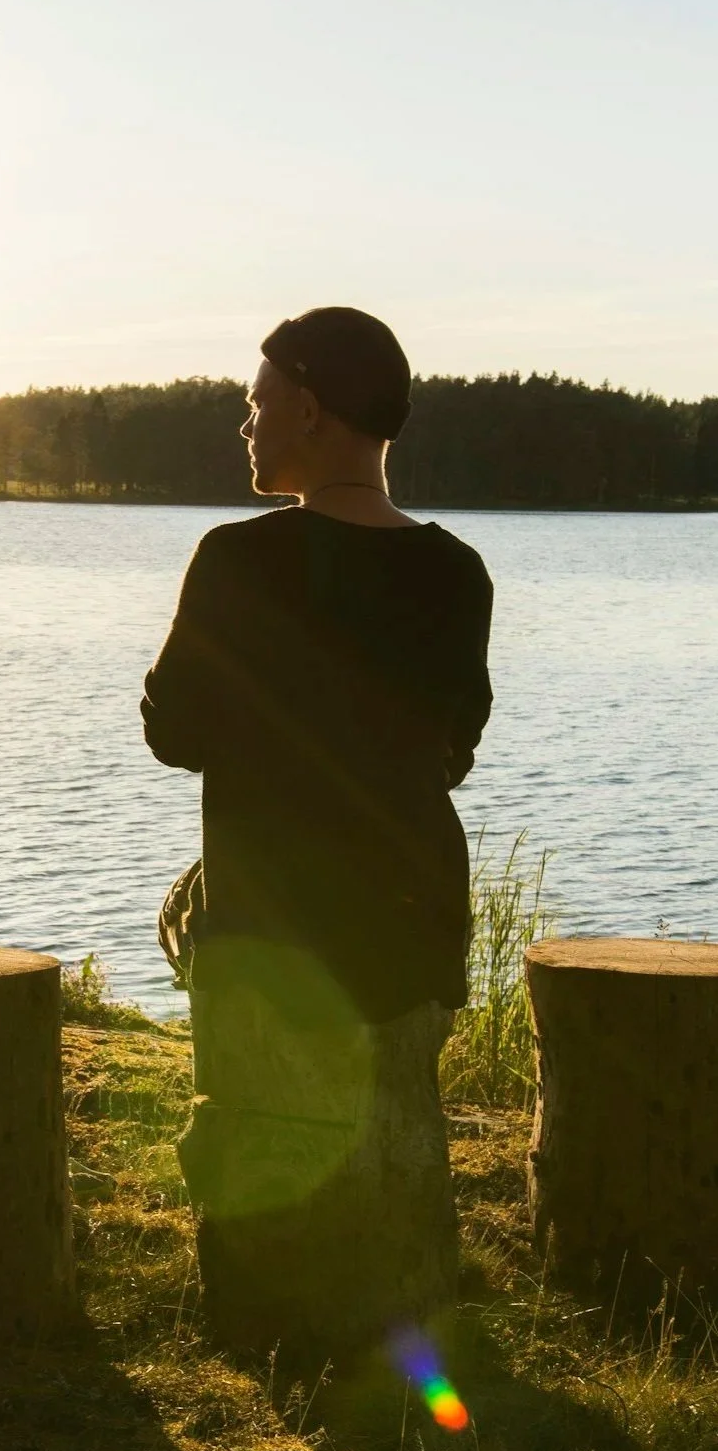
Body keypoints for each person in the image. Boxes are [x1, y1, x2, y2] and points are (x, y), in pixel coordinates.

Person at [142, 305, 492, 1024]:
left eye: (256, 404)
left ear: (306, 411)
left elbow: (172, 734)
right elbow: (450, 755)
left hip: (272, 942)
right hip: (414, 940)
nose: (246, 427)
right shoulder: (458, 571)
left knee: (182, 904)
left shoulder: (237, 559)